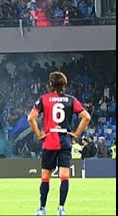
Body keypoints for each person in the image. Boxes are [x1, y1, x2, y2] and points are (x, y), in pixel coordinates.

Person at [29, 71, 92, 216]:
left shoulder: (43, 99)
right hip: (65, 141)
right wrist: (75, 134)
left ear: (51, 84)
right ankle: (61, 208)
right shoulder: (71, 100)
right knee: (64, 176)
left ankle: (42, 209)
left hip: (49, 141)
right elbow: (86, 117)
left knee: (45, 177)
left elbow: (31, 118)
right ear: (64, 85)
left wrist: (39, 135)